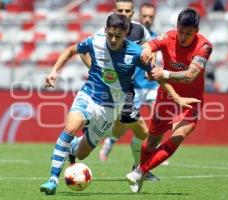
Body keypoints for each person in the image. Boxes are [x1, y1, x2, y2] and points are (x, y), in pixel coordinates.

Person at [39, 13, 198, 195]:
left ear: (126, 34)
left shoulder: (137, 53)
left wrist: (177, 98)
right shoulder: (94, 42)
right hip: (88, 95)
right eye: (110, 35)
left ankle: (70, 148)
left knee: (81, 153)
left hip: (110, 108)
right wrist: (54, 72)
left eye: (118, 36)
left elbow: (157, 76)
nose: (113, 39)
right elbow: (71, 51)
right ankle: (52, 179)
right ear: (106, 30)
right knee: (70, 127)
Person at [126, 8, 213, 192]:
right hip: (166, 98)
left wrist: (163, 73)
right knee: (151, 142)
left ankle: (140, 171)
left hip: (190, 101)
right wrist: (147, 51)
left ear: (196, 31)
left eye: (188, 33)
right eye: (181, 31)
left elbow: (191, 75)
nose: (183, 37)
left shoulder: (205, 46)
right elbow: (149, 44)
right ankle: (141, 174)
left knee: (177, 137)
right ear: (177, 28)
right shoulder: (168, 36)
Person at [96, 0, 159, 181]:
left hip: (145, 86)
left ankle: (140, 166)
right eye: (120, 10)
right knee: (120, 129)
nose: (124, 13)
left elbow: (150, 46)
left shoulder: (141, 31)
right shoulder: (108, 33)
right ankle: (103, 140)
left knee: (154, 121)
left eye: (127, 10)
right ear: (114, 10)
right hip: (123, 89)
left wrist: (151, 61)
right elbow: (86, 50)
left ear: (133, 12)